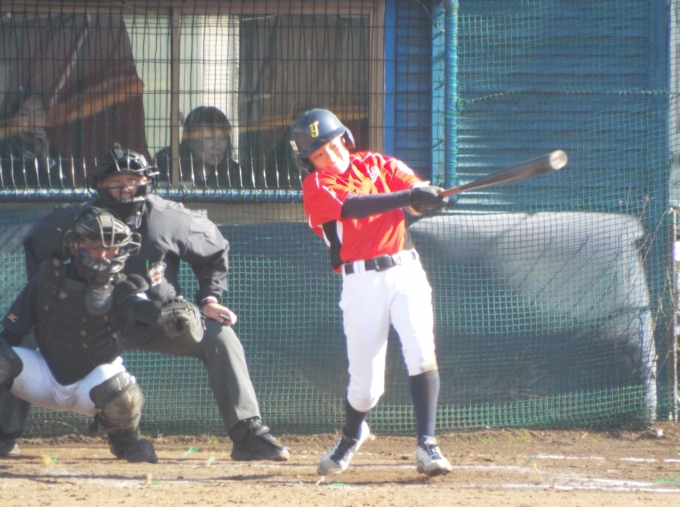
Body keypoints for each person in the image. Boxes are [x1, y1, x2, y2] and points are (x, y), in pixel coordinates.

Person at [0, 144, 289, 461]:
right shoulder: (72, 220)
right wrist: (52, 301)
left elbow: (215, 249)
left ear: (147, 182)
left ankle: (248, 435)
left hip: (155, 319)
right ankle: (4, 435)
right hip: (86, 324)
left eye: (133, 180)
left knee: (219, 336)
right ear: (99, 185)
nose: (125, 188)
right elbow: (37, 247)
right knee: (16, 341)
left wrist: (209, 298)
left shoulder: (167, 218)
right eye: (115, 181)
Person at [289, 109, 451, 477]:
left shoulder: (378, 164)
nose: (330, 156)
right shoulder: (316, 186)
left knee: (421, 351)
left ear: (345, 138)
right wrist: (407, 195)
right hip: (360, 282)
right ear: (309, 162)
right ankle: (352, 435)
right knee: (366, 387)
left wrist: (426, 198)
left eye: (333, 146)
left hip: (405, 269)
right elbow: (352, 206)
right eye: (319, 154)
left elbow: (413, 198)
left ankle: (427, 443)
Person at [0, 207, 158, 463]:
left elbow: (138, 307)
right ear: (75, 245)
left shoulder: (124, 286)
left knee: (121, 391)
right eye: (95, 246)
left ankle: (127, 443)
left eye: (113, 248)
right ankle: (3, 437)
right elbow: (11, 335)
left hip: (91, 387)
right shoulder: (48, 277)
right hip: (44, 376)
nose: (104, 255)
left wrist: (163, 314)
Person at [0, 86, 73, 188]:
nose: (32, 123)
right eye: (24, 115)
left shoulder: (55, 155)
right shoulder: (3, 150)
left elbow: (65, 190)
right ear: (10, 118)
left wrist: (45, 160)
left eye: (39, 115)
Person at [155, 106, 246, 188]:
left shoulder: (236, 174)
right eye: (208, 138)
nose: (217, 146)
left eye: (222, 138)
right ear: (190, 140)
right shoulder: (166, 168)